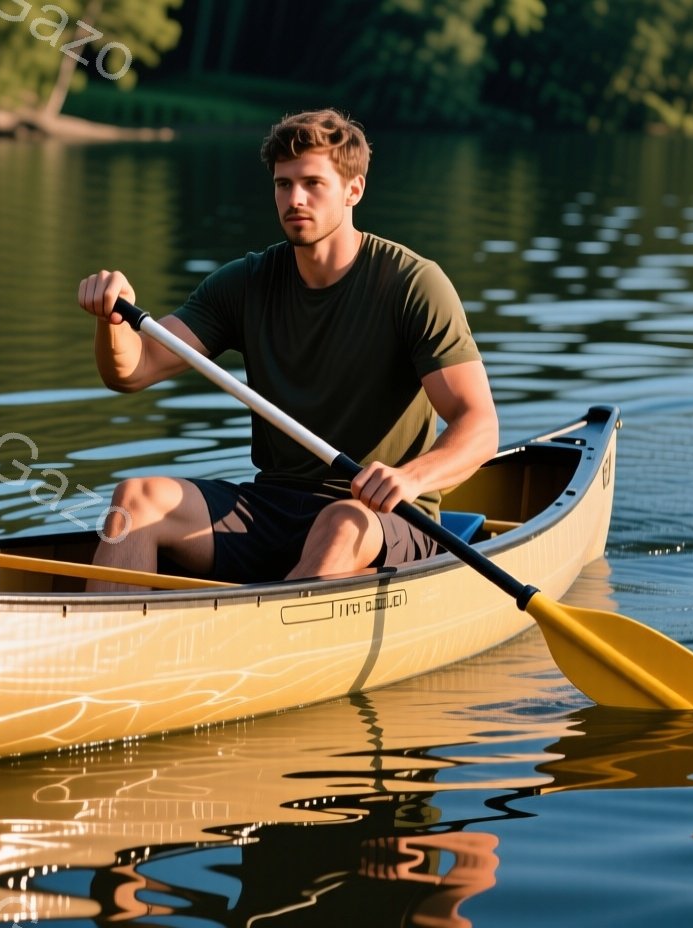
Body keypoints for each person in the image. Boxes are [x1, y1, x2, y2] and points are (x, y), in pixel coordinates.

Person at [74, 108, 497, 591]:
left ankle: (256, 642)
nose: (294, 199)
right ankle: (106, 650)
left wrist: (411, 478)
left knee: (339, 522)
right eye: (283, 184)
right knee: (136, 499)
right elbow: (133, 370)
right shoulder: (245, 283)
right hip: (273, 506)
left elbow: (479, 427)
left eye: (313, 183)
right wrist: (113, 319)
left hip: (383, 515)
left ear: (353, 190)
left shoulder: (411, 284)